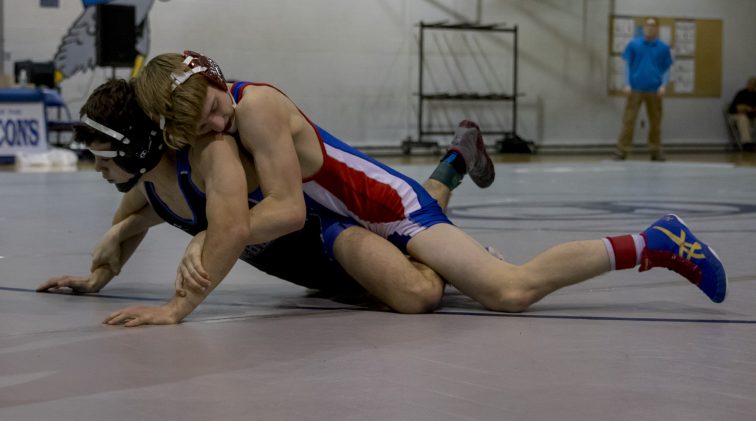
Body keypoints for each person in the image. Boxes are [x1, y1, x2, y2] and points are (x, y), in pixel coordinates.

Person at [123, 50, 726, 327]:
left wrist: (208, 242)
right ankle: (459, 157)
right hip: (361, 215)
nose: (218, 125)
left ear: (216, 77)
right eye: (203, 128)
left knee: (508, 290)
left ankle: (656, 241)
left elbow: (282, 212)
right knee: (414, 281)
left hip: (391, 211)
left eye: (214, 109)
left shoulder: (254, 109)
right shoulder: (220, 117)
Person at [38, 79, 494, 325]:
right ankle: (456, 159)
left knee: (422, 293)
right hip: (310, 269)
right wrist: (98, 274)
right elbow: (130, 224)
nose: (95, 167)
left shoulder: (210, 158)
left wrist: (175, 306)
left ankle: (451, 252)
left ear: (134, 146)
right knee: (401, 245)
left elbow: (230, 227)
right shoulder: (146, 186)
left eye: (100, 156)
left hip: (328, 235)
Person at [615, 17, 673, 161]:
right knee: (628, 121)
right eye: (647, 25)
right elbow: (627, 65)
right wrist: (626, 83)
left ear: (657, 28)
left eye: (653, 25)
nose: (649, 28)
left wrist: (663, 85)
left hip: (654, 90)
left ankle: (655, 151)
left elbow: (666, 68)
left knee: (655, 122)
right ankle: (622, 151)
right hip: (635, 89)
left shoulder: (663, 48)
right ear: (644, 27)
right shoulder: (634, 44)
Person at [728, 77, 756, 149]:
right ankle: (747, 143)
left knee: (745, 119)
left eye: (753, 84)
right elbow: (731, 109)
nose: (750, 85)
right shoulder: (741, 93)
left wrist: (750, 109)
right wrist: (741, 108)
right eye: (749, 83)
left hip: (751, 116)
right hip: (736, 116)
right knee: (743, 118)